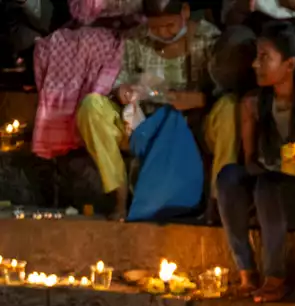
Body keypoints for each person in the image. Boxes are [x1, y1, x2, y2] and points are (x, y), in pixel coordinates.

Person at [75, 0, 234, 220]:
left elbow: (225, 90)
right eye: (155, 27)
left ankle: (217, 203)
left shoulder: (208, 38)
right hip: (146, 127)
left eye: (169, 26)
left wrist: (198, 99)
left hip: (194, 126)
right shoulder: (135, 38)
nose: (163, 33)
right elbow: (119, 81)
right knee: (91, 107)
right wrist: (123, 91)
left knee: (230, 110)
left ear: (185, 12)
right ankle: (119, 195)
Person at [216, 24, 295, 303]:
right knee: (228, 177)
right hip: (265, 176)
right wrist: (262, 167)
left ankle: (275, 276)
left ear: (290, 64)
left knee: (268, 186)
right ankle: (246, 270)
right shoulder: (252, 103)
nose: (255, 64)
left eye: (264, 57)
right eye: (256, 57)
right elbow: (249, 160)